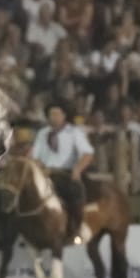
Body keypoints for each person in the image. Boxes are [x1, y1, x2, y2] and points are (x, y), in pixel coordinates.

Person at [30, 101, 95, 240]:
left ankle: (76, 227)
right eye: (51, 114)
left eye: (56, 114)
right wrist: (41, 169)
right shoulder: (43, 133)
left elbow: (88, 154)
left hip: (66, 174)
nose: (53, 117)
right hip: (46, 174)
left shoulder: (74, 132)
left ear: (64, 115)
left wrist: (77, 170)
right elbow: (35, 156)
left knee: (76, 194)